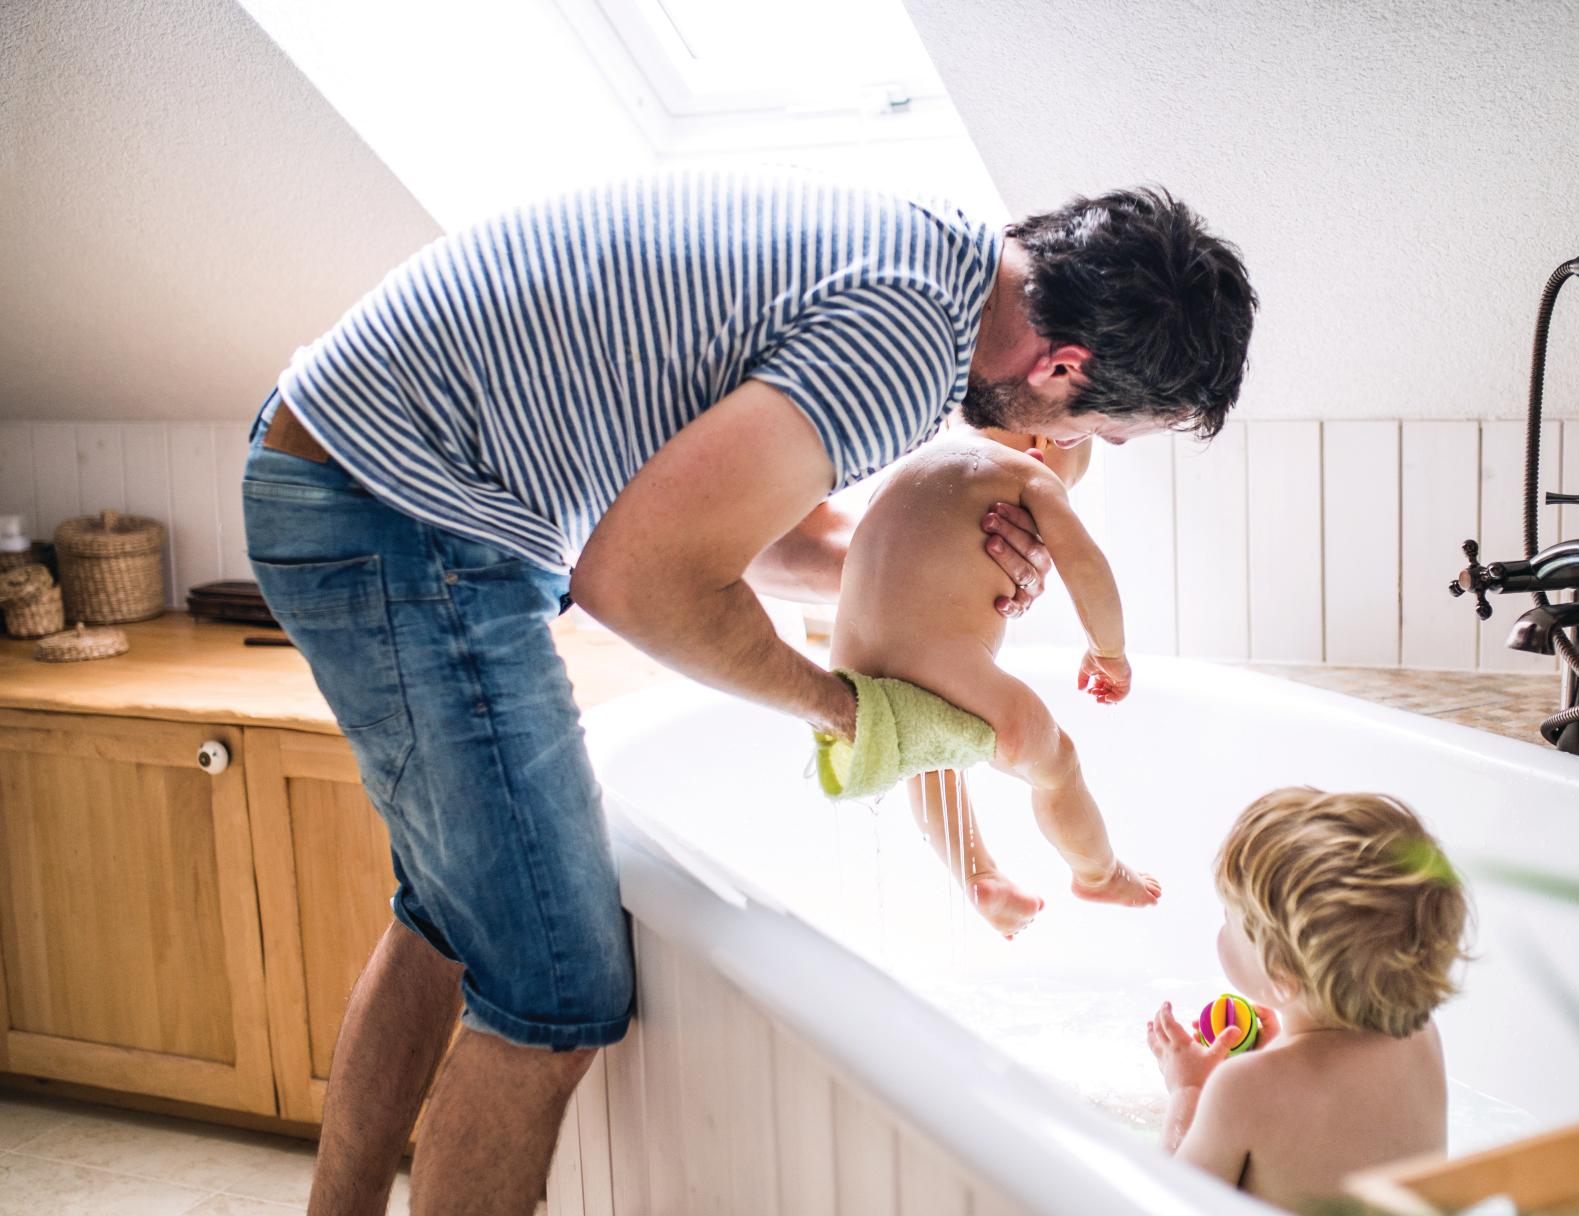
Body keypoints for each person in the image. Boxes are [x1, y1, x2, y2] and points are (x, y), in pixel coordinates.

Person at [242, 167, 1256, 1214]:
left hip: (364, 465)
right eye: (1095, 428)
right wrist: (848, 711)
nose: (1072, 448)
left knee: (451, 920)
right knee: (555, 983)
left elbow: (732, 531)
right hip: (400, 507)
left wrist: (918, 577)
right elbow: (638, 580)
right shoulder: (901, 349)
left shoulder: (928, 262)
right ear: (1062, 366)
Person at [832, 423, 1158, 938]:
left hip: (851, 688)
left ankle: (979, 876)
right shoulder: (1028, 473)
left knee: (932, 760)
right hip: (950, 671)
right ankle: (1100, 874)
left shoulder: (911, 469)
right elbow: (1085, 567)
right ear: (1048, 439)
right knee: (1057, 766)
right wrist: (1108, 653)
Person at [1145, 788, 1469, 1212]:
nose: (1220, 928)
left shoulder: (1241, 1089)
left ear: (1281, 977)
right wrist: (1276, 1050)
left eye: (1229, 918)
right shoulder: (1421, 1035)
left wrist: (1187, 1090)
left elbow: (1171, 1201)